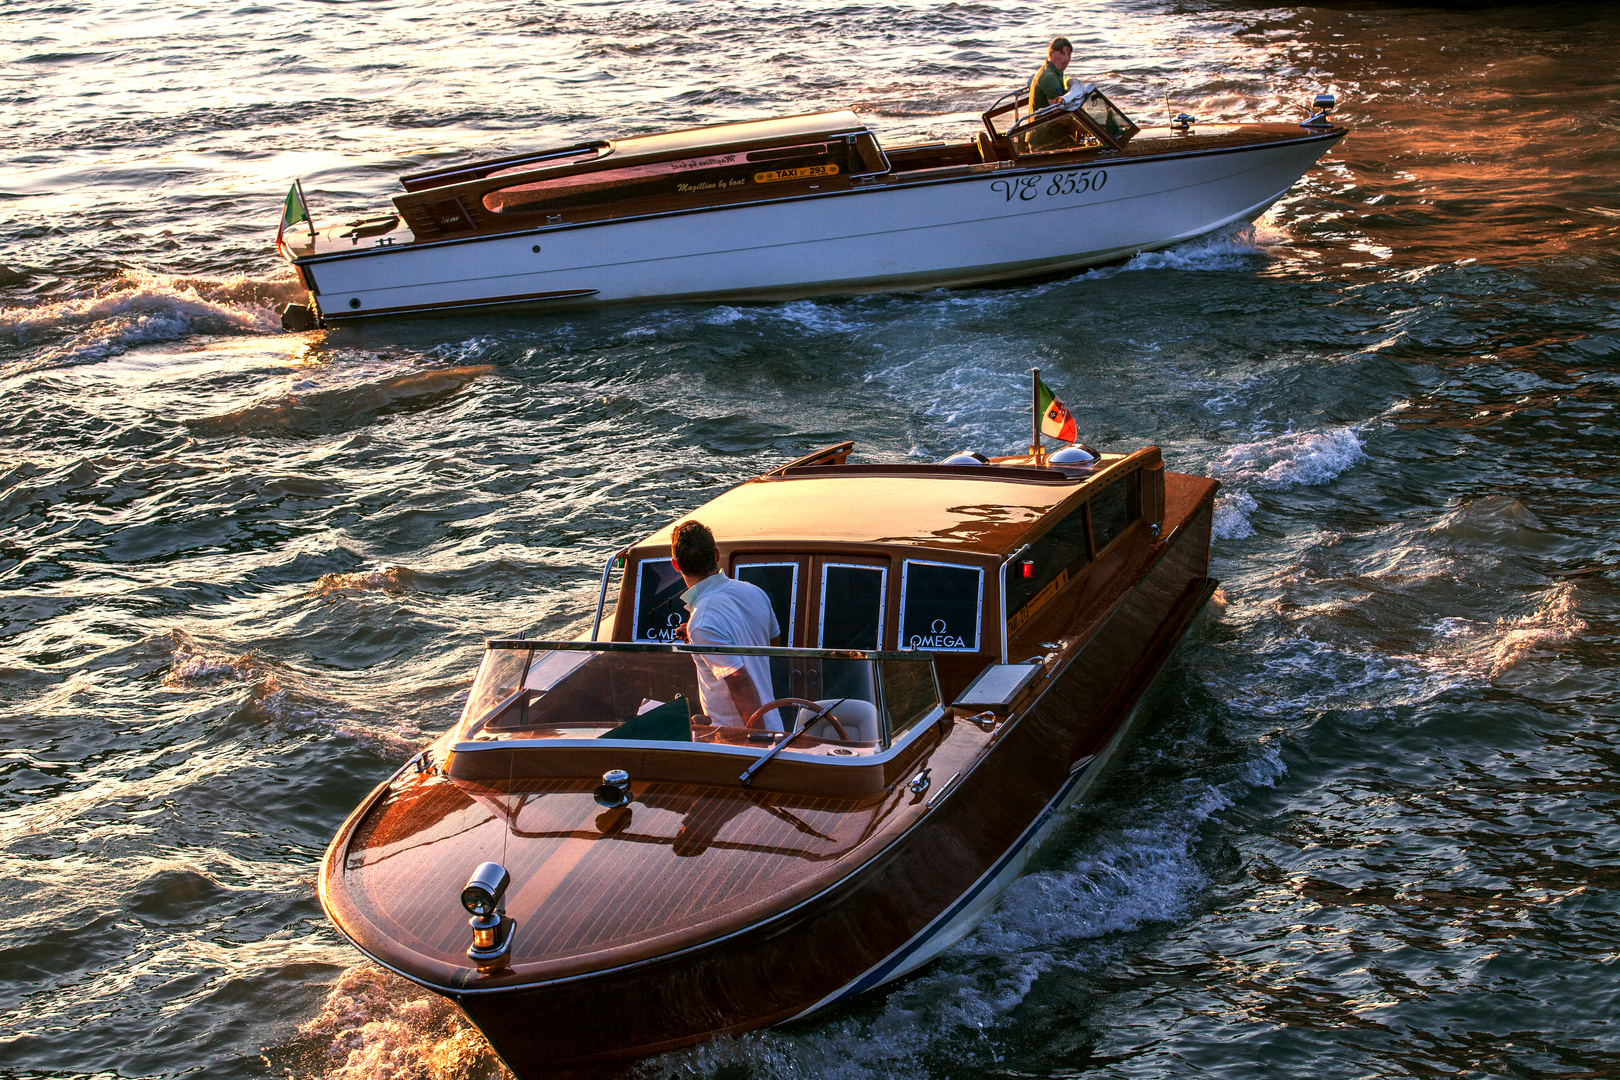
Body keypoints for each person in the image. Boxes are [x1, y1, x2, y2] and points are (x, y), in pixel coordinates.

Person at [670, 520, 783, 730]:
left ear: (676, 565)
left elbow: (739, 681)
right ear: (716, 555)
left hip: (740, 739)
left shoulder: (702, 622)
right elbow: (772, 646)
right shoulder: (754, 592)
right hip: (775, 725)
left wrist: (758, 739)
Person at [1029, 37, 1073, 113]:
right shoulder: (1050, 78)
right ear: (1051, 54)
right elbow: (1058, 112)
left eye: (1068, 54)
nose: (1066, 59)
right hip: (1044, 123)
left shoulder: (1055, 69)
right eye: (1062, 54)